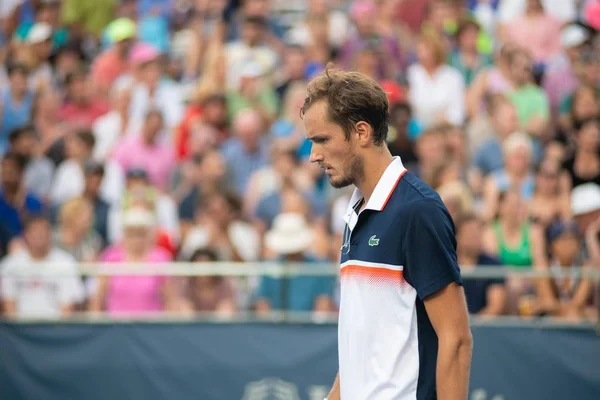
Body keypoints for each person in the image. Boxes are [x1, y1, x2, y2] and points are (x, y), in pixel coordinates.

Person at [301, 66, 472, 400]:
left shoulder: (417, 210)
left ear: (362, 132)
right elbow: (362, 350)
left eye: (322, 140)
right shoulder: (354, 212)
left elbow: (456, 339)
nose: (314, 156)